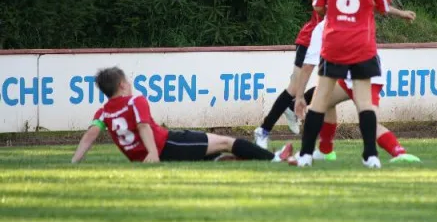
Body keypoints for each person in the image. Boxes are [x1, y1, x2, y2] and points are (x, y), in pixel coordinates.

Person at [297, 0, 391, 168]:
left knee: (320, 99)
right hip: (362, 45)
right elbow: (383, 7)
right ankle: (370, 156)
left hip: (334, 43)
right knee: (365, 102)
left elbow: (318, 5)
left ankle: (305, 154)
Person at [71, 67, 293, 163]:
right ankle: (274, 159)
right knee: (226, 141)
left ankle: (225, 158)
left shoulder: (103, 112)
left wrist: (74, 161)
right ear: (121, 84)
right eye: (127, 81)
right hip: (167, 145)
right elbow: (143, 126)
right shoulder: (134, 101)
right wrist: (153, 153)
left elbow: (90, 135)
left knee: (214, 150)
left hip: (148, 154)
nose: (130, 84)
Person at [293, 15, 421, 163]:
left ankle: (399, 153)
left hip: (365, 77)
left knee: (368, 121)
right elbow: (379, 7)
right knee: (325, 102)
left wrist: (299, 96)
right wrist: (400, 13)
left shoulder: (323, 27)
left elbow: (308, 65)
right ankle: (325, 151)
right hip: (357, 76)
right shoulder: (355, 17)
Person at [252, 0, 319, 149]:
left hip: (333, 43)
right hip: (310, 41)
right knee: (294, 88)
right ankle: (263, 130)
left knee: (334, 86)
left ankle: (293, 107)